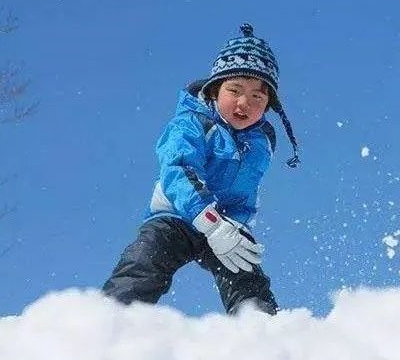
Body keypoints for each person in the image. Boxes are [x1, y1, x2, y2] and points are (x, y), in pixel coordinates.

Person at [101, 23, 300, 314]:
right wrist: (209, 221)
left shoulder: (261, 141)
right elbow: (179, 168)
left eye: (258, 96)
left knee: (247, 279)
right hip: (177, 217)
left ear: (270, 104)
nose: (245, 102)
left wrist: (232, 227)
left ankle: (260, 329)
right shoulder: (192, 123)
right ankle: (112, 318)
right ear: (215, 90)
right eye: (235, 90)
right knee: (145, 262)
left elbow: (244, 193)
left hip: (227, 226)